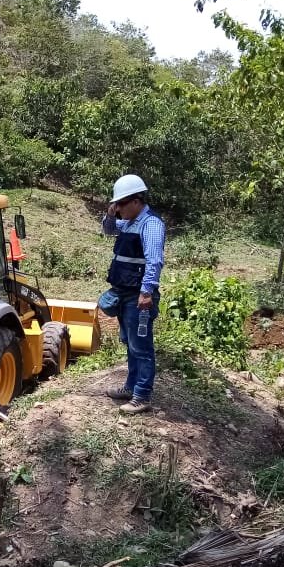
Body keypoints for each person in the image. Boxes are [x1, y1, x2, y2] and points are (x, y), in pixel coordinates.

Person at [101, 174, 165, 415]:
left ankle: (142, 395)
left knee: (142, 346)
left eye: (121, 205)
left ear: (136, 201)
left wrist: (147, 292)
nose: (118, 210)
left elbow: (154, 261)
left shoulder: (151, 224)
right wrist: (110, 214)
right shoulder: (128, 222)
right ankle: (131, 387)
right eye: (115, 205)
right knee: (130, 344)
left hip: (139, 296)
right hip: (124, 293)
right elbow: (108, 230)